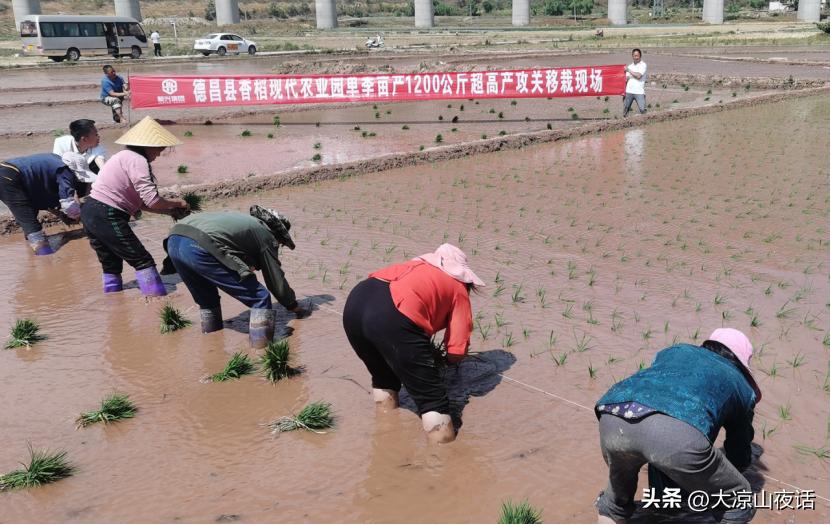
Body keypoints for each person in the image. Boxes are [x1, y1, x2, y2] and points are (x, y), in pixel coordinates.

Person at [594, 328, 761, 524]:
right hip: (673, 435)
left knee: (614, 504)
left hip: (613, 416)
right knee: (739, 501)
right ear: (741, 361)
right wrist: (732, 474)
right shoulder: (741, 384)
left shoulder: (676, 350)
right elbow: (739, 451)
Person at [342, 243, 483, 444]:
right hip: (391, 316)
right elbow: (456, 349)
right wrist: (444, 364)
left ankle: (386, 429)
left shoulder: (413, 267)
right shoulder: (457, 287)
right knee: (432, 398)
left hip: (355, 304)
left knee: (384, 377)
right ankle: (444, 452)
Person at [162, 206, 307, 348]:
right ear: (277, 233)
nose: (278, 245)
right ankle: (261, 347)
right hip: (200, 246)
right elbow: (275, 279)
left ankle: (211, 342)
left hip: (174, 242)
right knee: (260, 297)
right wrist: (293, 306)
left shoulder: (244, 222)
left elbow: (227, 245)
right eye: (281, 243)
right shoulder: (266, 234)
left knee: (208, 301)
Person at [81, 117, 189, 296]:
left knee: (110, 264)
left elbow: (140, 203)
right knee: (142, 260)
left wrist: (168, 211)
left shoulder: (123, 156)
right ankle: (156, 299)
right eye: (159, 149)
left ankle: (114, 299)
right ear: (148, 146)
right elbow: (152, 200)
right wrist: (179, 203)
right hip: (107, 213)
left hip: (90, 211)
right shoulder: (137, 160)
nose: (159, 154)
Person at [0, 153, 88, 255]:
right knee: (28, 218)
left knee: (29, 211)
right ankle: (44, 254)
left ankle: (32, 245)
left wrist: (60, 214)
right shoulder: (65, 171)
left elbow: (41, 199)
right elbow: (68, 203)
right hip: (7, 177)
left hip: (10, 174)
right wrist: (76, 214)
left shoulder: (54, 164)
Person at [53, 119, 106, 194]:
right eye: (96, 134)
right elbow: (58, 170)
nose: (99, 136)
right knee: (63, 170)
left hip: (85, 180)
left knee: (97, 169)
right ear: (84, 139)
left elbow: (102, 165)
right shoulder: (61, 143)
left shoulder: (98, 148)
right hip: (66, 180)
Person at [623, 48, 647, 117]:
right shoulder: (630, 66)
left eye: (637, 56)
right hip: (629, 91)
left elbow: (639, 76)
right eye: (634, 56)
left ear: (640, 56)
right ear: (632, 56)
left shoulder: (643, 65)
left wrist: (629, 70)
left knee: (643, 110)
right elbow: (626, 79)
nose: (636, 57)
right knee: (625, 111)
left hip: (639, 92)